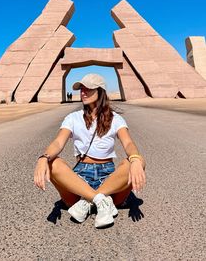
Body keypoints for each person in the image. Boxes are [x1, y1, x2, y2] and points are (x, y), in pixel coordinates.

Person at [34, 73, 146, 228]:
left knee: (138, 161)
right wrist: (43, 158)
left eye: (88, 89)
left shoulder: (115, 119)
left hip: (108, 177)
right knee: (53, 163)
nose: (83, 92)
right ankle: (99, 199)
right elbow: (58, 142)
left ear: (100, 92)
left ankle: (87, 200)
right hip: (81, 175)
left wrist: (134, 159)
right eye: (81, 89)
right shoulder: (73, 118)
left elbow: (128, 143)